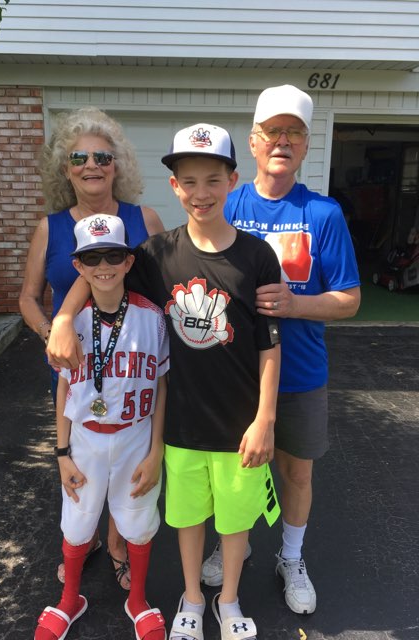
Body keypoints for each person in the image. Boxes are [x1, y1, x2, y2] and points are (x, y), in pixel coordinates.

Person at [47, 123, 282, 640]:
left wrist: (266, 418)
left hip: (240, 421)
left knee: (235, 520)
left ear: (233, 181)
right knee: (188, 516)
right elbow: (100, 275)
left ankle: (229, 600)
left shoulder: (258, 255)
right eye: (189, 181)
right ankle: (192, 598)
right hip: (180, 424)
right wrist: (63, 318)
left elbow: (270, 344)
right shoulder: (156, 255)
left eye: (213, 179)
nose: (201, 192)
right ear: (174, 186)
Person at [201, 85, 361, 615]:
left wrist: (295, 305)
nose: (282, 141)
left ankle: (291, 557)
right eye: (273, 131)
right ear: (253, 141)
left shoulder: (324, 214)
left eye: (294, 132)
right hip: (233, 374)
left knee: (296, 474)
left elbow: (349, 300)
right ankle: (235, 545)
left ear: (306, 144)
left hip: (300, 374)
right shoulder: (227, 204)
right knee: (234, 472)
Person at [19, 107, 164, 588]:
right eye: (79, 157)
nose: (91, 165)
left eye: (102, 156)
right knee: (81, 461)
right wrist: (53, 332)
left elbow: (164, 286)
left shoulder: (143, 220)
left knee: (128, 461)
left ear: (117, 165)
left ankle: (120, 541)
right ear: (65, 169)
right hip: (78, 366)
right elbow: (27, 297)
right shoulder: (50, 228)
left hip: (134, 366)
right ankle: (87, 538)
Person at [34, 214, 169, 640]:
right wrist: (61, 453)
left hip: (135, 435)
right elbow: (63, 390)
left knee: (139, 521)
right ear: (78, 266)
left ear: (128, 261)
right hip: (86, 437)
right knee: (77, 521)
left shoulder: (152, 317)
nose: (104, 266)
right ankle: (69, 600)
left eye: (113, 255)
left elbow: (162, 385)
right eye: (92, 258)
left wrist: (157, 450)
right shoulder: (71, 323)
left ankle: (138, 601)